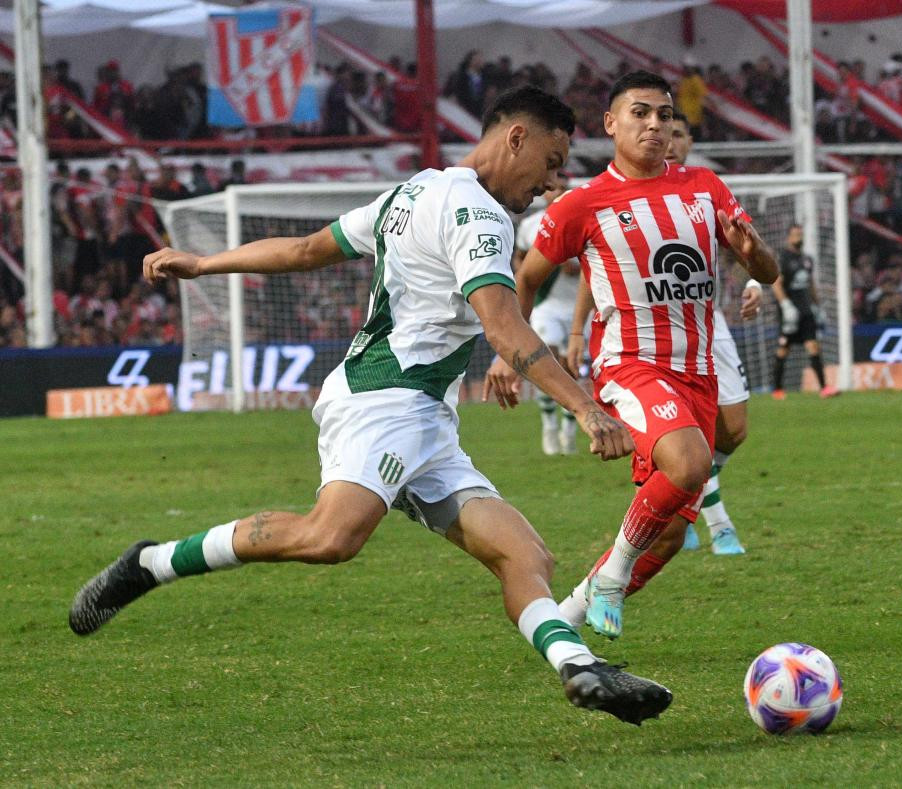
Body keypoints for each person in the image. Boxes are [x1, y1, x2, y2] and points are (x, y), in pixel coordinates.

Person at [69, 86, 672, 726]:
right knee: (329, 537)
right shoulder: (480, 216)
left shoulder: (415, 191)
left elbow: (306, 250)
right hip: (384, 402)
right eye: (551, 162)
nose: (553, 180)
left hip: (425, 420)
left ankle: (580, 670)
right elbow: (503, 326)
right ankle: (151, 562)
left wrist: (206, 261)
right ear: (515, 138)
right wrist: (584, 407)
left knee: (525, 557)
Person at [486, 72, 778, 640]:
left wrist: (754, 252)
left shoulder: (705, 187)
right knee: (691, 463)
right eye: (640, 113)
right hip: (630, 366)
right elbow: (526, 278)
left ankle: (567, 617)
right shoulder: (582, 203)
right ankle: (614, 576)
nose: (655, 125)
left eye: (664, 116)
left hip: (697, 372)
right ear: (611, 124)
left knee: (667, 533)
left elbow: (765, 271)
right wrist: (506, 352)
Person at [563, 112, 757, 554]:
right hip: (644, 339)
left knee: (735, 429)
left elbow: (741, 247)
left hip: (704, 326)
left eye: (676, 133)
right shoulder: (617, 196)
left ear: (686, 141)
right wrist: (577, 330)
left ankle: (678, 497)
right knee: (684, 441)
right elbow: (594, 270)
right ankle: (715, 520)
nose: (666, 141)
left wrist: (753, 284)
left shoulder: (703, 189)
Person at [512, 171, 579, 455]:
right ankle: (549, 424)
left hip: (575, 306)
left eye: (564, 188)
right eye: (554, 188)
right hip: (545, 305)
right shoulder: (531, 225)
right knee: (544, 360)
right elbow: (519, 256)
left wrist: (572, 268)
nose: (557, 193)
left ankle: (569, 427)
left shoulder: (581, 222)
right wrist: (525, 274)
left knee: (570, 368)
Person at [771, 224, 837, 399]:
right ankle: (777, 389)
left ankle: (824, 388)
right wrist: (785, 306)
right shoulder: (783, 258)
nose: (798, 237)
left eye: (800, 234)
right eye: (795, 234)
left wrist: (818, 306)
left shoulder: (807, 259)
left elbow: (811, 285)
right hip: (789, 312)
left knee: (813, 346)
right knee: (783, 349)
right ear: (788, 237)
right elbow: (776, 284)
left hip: (806, 310)